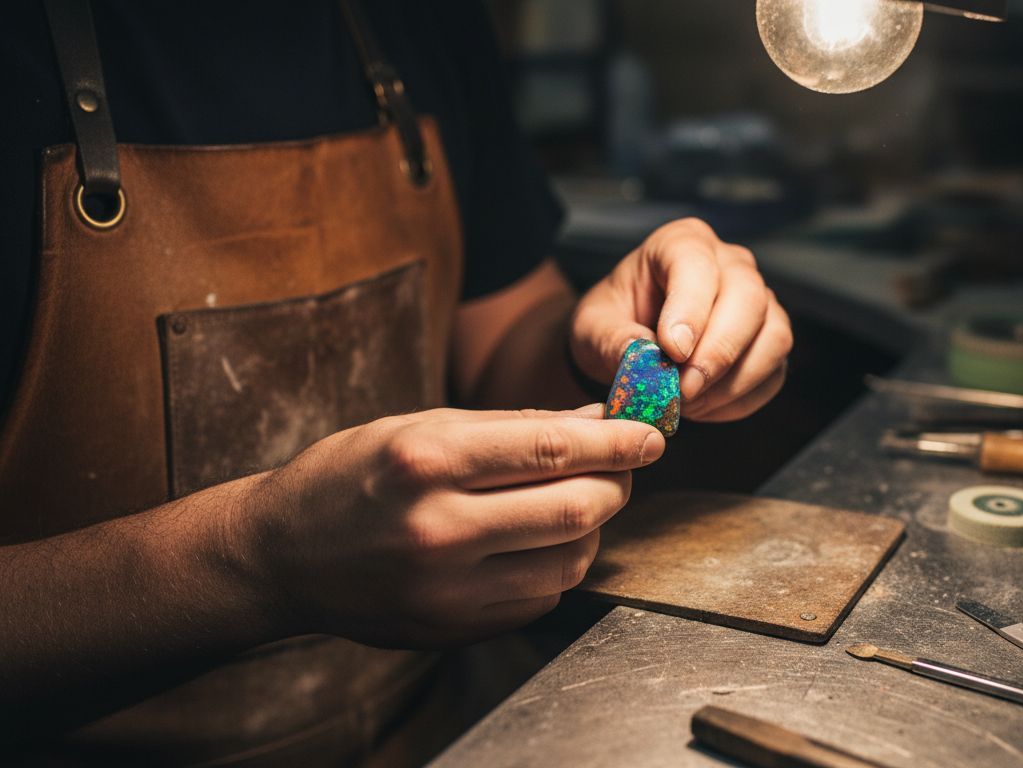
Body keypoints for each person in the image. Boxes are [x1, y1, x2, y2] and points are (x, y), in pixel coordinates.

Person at [0, 1, 792, 764]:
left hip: (435, 727)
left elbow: (503, 339)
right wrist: (254, 562)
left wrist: (599, 345)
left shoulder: (419, 14)